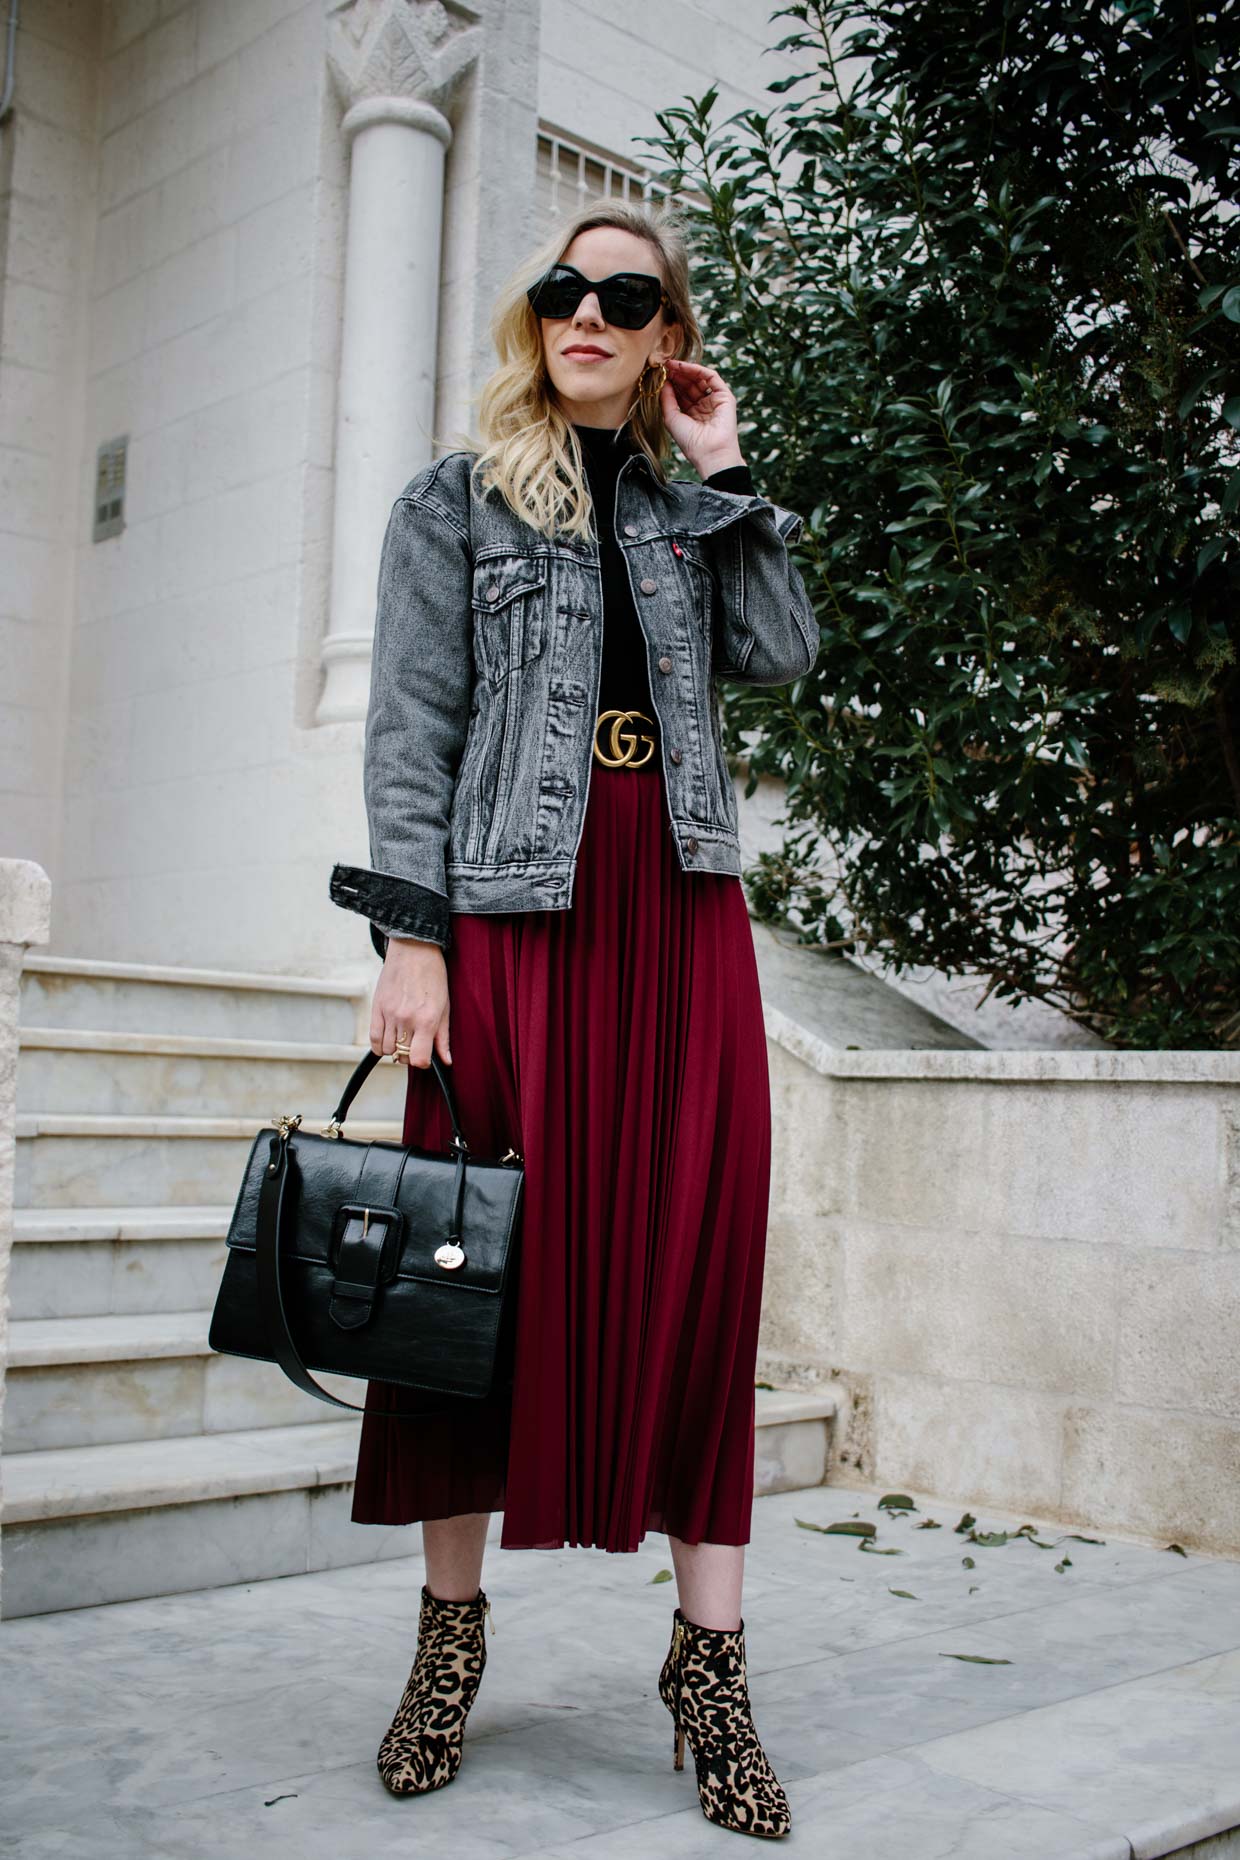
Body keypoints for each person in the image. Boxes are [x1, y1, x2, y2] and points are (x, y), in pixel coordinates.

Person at [328, 197, 818, 1840]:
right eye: (564, 286)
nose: (588, 311)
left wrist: (731, 466)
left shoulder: (689, 516)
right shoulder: (452, 502)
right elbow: (409, 731)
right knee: (478, 1273)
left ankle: (713, 1661)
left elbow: (783, 651)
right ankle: (449, 1645)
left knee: (698, 1268)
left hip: (680, 913)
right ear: (531, 315)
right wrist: (413, 944)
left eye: (626, 294)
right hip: (518, 913)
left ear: (664, 332)